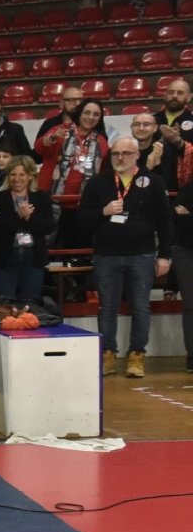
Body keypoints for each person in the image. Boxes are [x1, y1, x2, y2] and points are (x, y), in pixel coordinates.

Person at [79, 136, 175, 380]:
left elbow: (165, 221)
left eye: (125, 153)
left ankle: (137, 355)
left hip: (141, 255)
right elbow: (81, 220)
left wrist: (164, 256)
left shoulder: (153, 181)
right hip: (106, 255)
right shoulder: (97, 183)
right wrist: (104, 211)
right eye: (115, 153)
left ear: (137, 155)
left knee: (141, 307)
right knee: (107, 307)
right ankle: (108, 354)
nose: (120, 158)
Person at [36, 96, 107, 249]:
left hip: (82, 205)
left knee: (77, 248)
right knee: (48, 247)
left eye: (96, 115)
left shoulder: (101, 140)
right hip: (52, 199)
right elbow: (39, 148)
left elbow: (104, 170)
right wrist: (53, 137)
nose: (91, 117)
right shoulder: (61, 131)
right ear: (79, 113)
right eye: (87, 112)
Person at [0, 155, 55, 300]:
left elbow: (48, 227)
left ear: (30, 176)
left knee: (30, 305)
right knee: (5, 305)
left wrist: (30, 218)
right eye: (13, 174)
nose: (16, 179)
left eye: (21, 174)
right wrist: (18, 216)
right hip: (5, 259)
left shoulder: (41, 197)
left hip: (33, 259)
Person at [171, 168, 193, 373]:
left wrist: (189, 215)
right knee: (191, 304)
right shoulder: (187, 189)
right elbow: (177, 218)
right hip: (186, 251)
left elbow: (185, 217)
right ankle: (192, 356)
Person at [131, 110, 178, 192]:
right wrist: (149, 166)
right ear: (131, 127)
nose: (141, 128)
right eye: (137, 124)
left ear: (155, 128)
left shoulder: (162, 149)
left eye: (146, 124)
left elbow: (165, 183)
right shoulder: (124, 149)